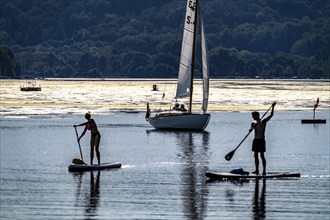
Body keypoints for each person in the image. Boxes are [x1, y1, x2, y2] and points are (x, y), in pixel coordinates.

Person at [249, 102, 276, 175]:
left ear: (257, 115)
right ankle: (257, 170)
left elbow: (271, 115)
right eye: (252, 116)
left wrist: (273, 107)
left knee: (262, 155)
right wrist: (251, 129)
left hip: (261, 140)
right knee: (255, 155)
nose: (253, 117)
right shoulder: (253, 123)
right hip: (255, 140)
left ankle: (264, 171)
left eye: (254, 116)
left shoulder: (263, 121)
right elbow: (251, 127)